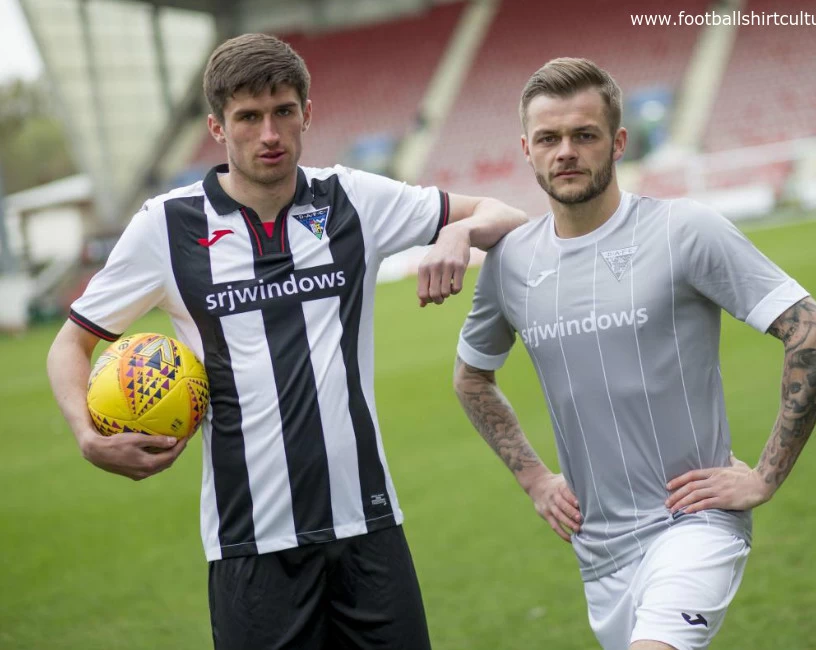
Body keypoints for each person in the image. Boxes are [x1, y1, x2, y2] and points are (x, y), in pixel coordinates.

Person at [47, 33, 526, 650]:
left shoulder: (352, 198)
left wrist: (462, 235)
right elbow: (69, 345)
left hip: (369, 528)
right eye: (248, 117)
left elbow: (502, 212)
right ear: (218, 128)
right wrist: (87, 437)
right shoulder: (167, 227)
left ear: (307, 113)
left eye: (283, 112)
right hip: (251, 545)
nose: (269, 134)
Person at [453, 57, 816, 650]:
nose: (566, 151)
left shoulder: (683, 229)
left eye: (584, 135)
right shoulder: (511, 262)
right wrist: (534, 478)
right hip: (599, 550)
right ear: (526, 150)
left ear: (617, 142)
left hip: (693, 525)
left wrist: (765, 477)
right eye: (549, 138)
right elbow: (471, 379)